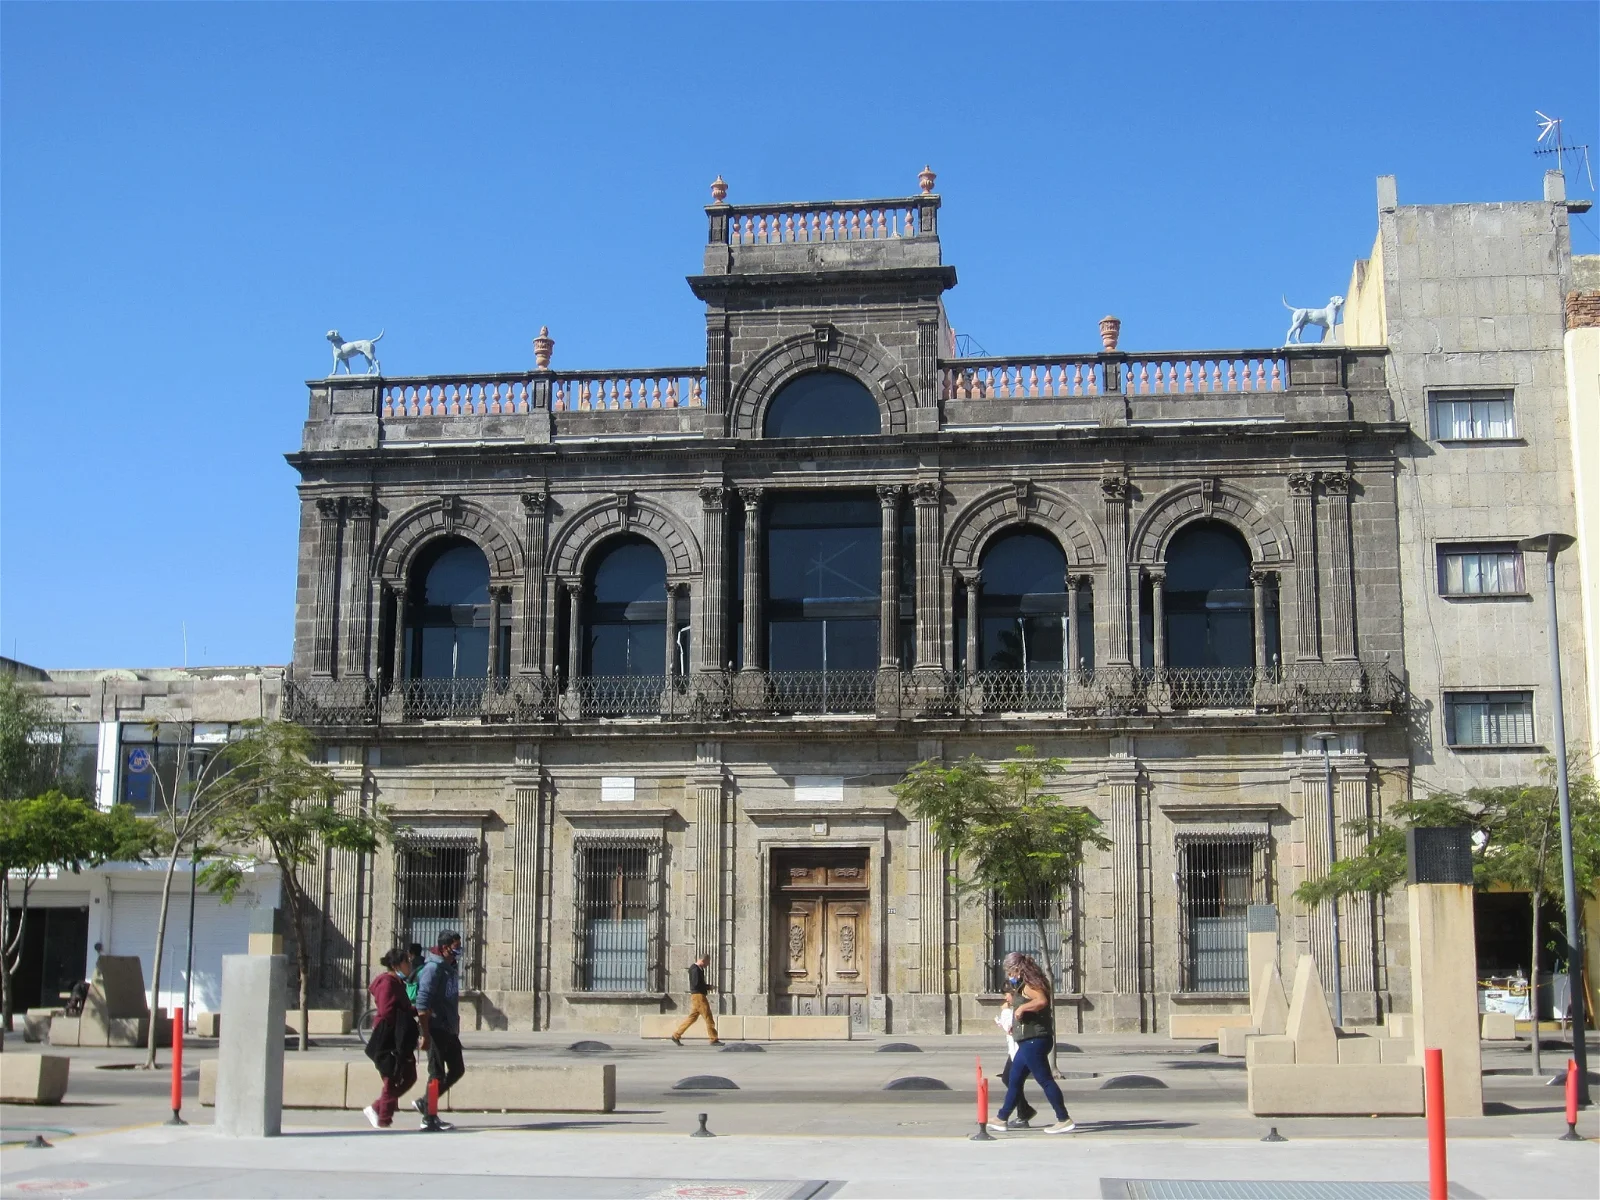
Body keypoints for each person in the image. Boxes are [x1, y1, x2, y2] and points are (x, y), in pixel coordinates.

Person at [987, 951, 1076, 1135]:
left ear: (1017, 969)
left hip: (1035, 1041)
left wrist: (1022, 1008)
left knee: (1045, 1080)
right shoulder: (1025, 984)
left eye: (1010, 972)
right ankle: (1001, 1118)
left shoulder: (1030, 984)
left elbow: (1042, 1001)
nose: (1009, 976)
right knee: (1014, 1079)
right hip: (1028, 1041)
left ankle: (1063, 1118)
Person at [412, 931, 467, 1131]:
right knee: (436, 1074)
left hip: (449, 1028)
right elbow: (422, 1002)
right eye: (456, 947)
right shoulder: (433, 969)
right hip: (435, 1029)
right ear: (444, 948)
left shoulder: (449, 968)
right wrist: (424, 1034)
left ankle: (426, 1103)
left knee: (457, 1069)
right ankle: (429, 1117)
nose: (458, 951)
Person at [362, 949, 419, 1129]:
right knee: (391, 1076)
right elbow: (387, 1010)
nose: (410, 966)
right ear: (396, 965)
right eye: (406, 963)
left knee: (409, 1076)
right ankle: (383, 1117)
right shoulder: (387, 983)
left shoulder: (398, 982)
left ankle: (377, 1108)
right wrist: (409, 1011)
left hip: (398, 1034)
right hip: (388, 1035)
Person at [995, 988, 1038, 1128]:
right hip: (1015, 1051)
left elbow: (1010, 1028)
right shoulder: (1017, 1008)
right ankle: (1024, 1112)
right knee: (1009, 1079)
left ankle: (1016, 1114)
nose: (1006, 999)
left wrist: (1005, 1012)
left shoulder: (1018, 1010)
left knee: (1012, 1080)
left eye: (1007, 995)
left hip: (1020, 1051)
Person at [670, 953, 723, 1046]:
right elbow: (696, 984)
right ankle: (713, 1038)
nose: (708, 964)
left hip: (698, 996)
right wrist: (708, 987)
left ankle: (676, 1035)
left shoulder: (699, 969)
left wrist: (706, 987)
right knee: (708, 1017)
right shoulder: (695, 969)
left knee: (692, 1017)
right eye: (708, 962)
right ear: (704, 960)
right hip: (699, 996)